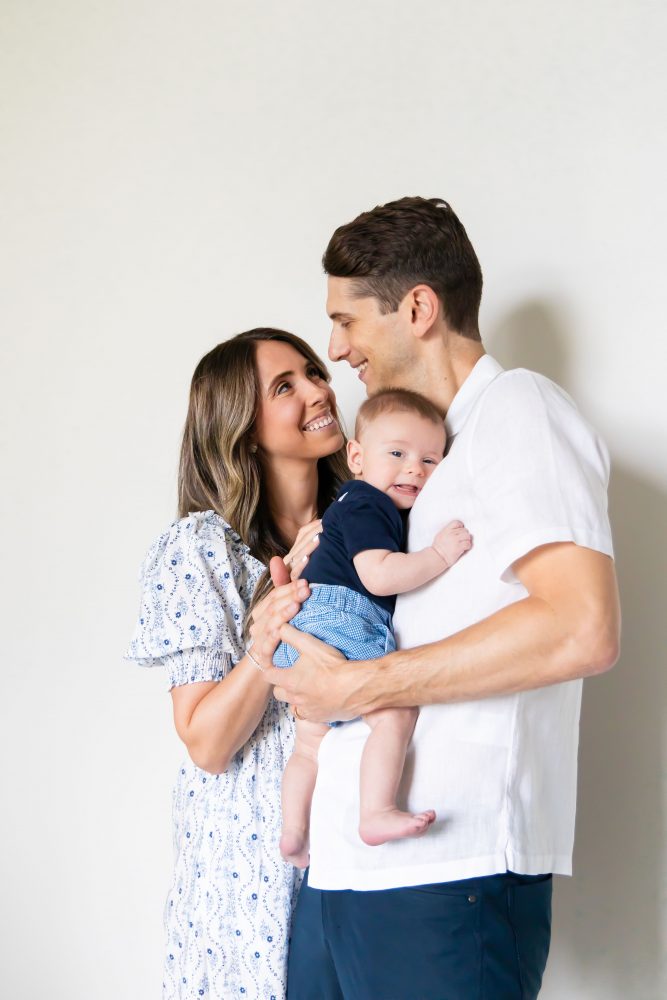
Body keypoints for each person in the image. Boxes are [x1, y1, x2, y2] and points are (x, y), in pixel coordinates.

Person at [257, 198, 621, 1000]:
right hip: (341, 868)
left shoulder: (519, 410)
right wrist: (285, 622)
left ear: (417, 308)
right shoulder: (414, 464)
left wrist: (362, 686)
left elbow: (580, 626)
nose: (334, 348)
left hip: (449, 876)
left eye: (346, 319)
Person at [125, 328, 349, 1000]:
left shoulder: (362, 526)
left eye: (313, 372)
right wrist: (269, 629)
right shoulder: (199, 548)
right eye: (286, 386)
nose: (318, 390)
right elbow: (207, 742)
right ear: (242, 429)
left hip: (351, 845)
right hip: (245, 877)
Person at [273, 388, 472, 866]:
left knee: (309, 744)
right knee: (395, 712)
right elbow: (378, 574)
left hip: (304, 630)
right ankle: (377, 811)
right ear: (357, 458)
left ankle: (294, 832)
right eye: (398, 453)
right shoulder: (367, 504)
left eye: (430, 460)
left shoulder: (350, 503)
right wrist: (439, 555)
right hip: (340, 621)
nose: (414, 469)